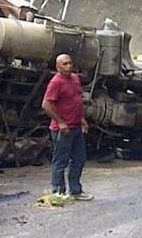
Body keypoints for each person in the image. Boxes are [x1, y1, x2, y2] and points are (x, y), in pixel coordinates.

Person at [41, 54, 94, 201]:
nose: (69, 66)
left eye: (70, 63)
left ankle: (75, 191)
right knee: (60, 161)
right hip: (62, 130)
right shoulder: (56, 82)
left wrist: (82, 119)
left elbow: (77, 100)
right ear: (57, 67)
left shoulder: (75, 78)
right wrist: (60, 122)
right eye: (65, 64)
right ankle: (58, 192)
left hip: (76, 127)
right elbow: (46, 105)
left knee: (79, 159)